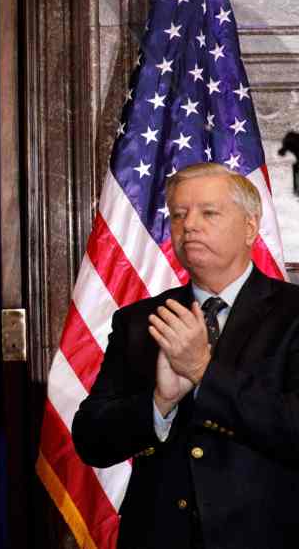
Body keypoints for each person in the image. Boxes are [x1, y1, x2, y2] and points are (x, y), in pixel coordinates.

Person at [72, 162, 299, 549]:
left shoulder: (293, 313)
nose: (189, 224)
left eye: (208, 212)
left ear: (249, 227)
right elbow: (91, 440)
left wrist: (202, 372)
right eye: (179, 214)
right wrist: (159, 404)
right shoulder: (139, 321)